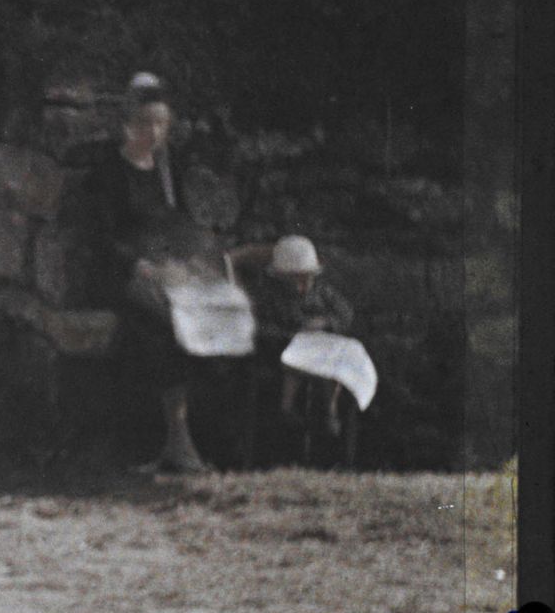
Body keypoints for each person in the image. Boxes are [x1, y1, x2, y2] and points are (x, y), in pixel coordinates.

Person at [86, 73, 230, 474]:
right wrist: (139, 265)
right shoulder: (109, 172)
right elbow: (102, 237)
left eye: (161, 124)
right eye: (146, 123)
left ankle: (191, 440)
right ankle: (178, 442)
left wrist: (188, 261)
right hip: (120, 272)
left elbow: (177, 226)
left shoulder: (168, 172)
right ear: (127, 124)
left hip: (162, 269)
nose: (154, 132)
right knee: (170, 324)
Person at [231, 234, 358, 455]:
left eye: (306, 279)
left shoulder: (323, 293)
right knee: (295, 363)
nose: (302, 286)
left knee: (336, 362)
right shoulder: (269, 297)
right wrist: (290, 335)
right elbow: (260, 327)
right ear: (281, 277)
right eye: (295, 280)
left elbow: (345, 314)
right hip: (284, 352)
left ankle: (330, 410)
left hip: (321, 351)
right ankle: (287, 409)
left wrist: (325, 323)